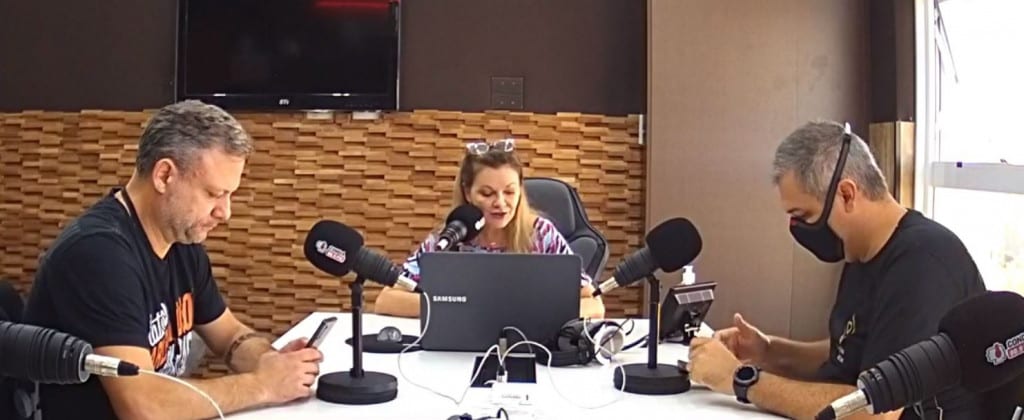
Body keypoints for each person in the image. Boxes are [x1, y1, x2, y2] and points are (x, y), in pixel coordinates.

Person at [23, 100, 323, 420]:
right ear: (164, 175)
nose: (225, 212)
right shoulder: (97, 255)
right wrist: (262, 385)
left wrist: (271, 363)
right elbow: (144, 407)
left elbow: (229, 335)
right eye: (214, 194)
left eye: (229, 195)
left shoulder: (181, 240)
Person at [687, 121, 986, 419]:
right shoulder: (860, 252)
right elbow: (849, 348)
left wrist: (742, 380)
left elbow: (878, 413)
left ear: (846, 194)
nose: (799, 230)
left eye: (804, 216)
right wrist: (769, 351)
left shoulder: (923, 263)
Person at [374, 138, 606, 319]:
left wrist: (535, 312)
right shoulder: (448, 238)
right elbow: (386, 300)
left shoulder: (541, 234)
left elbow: (593, 303)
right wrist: (459, 306)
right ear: (468, 193)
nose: (500, 203)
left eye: (509, 192)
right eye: (487, 194)